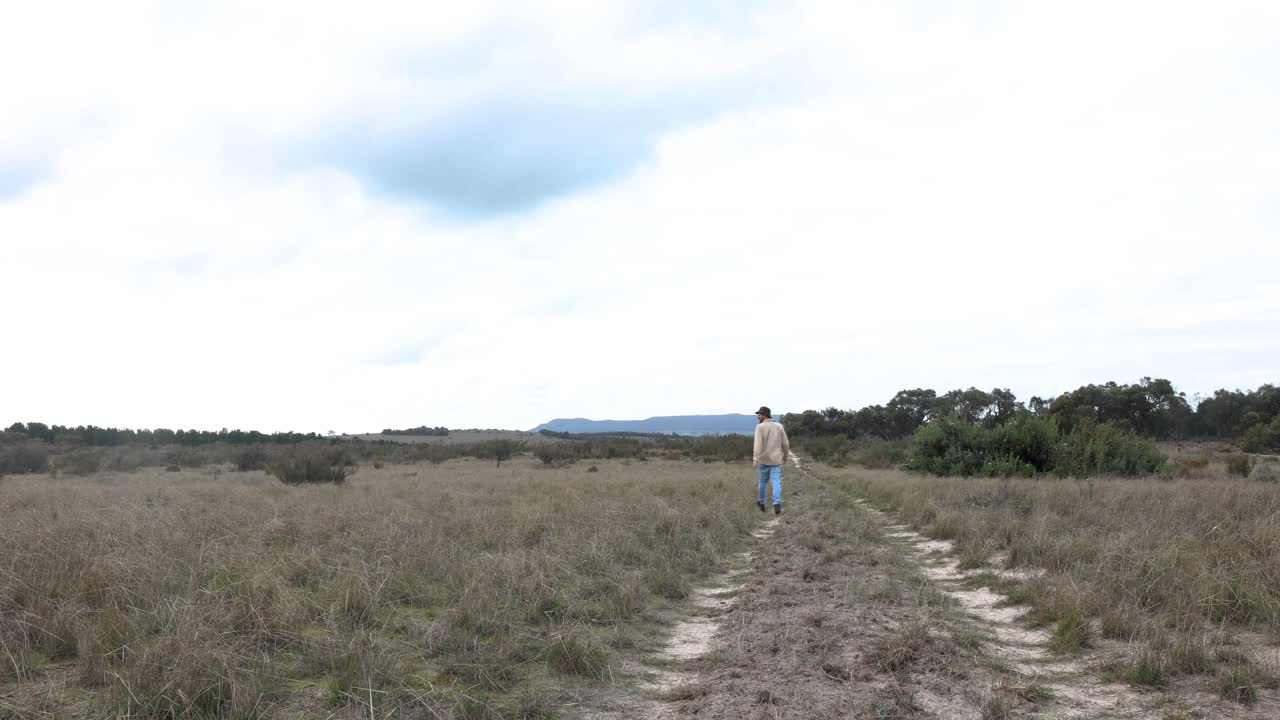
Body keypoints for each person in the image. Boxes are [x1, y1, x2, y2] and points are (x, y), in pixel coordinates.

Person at [753, 406, 790, 514]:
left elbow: (758, 444)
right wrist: (785, 455)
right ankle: (777, 504)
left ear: (765, 415)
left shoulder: (759, 427)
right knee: (776, 482)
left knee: (762, 482)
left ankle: (761, 504)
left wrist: (755, 458)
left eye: (759, 414)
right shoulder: (779, 426)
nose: (758, 416)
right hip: (776, 460)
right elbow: (785, 443)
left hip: (763, 460)